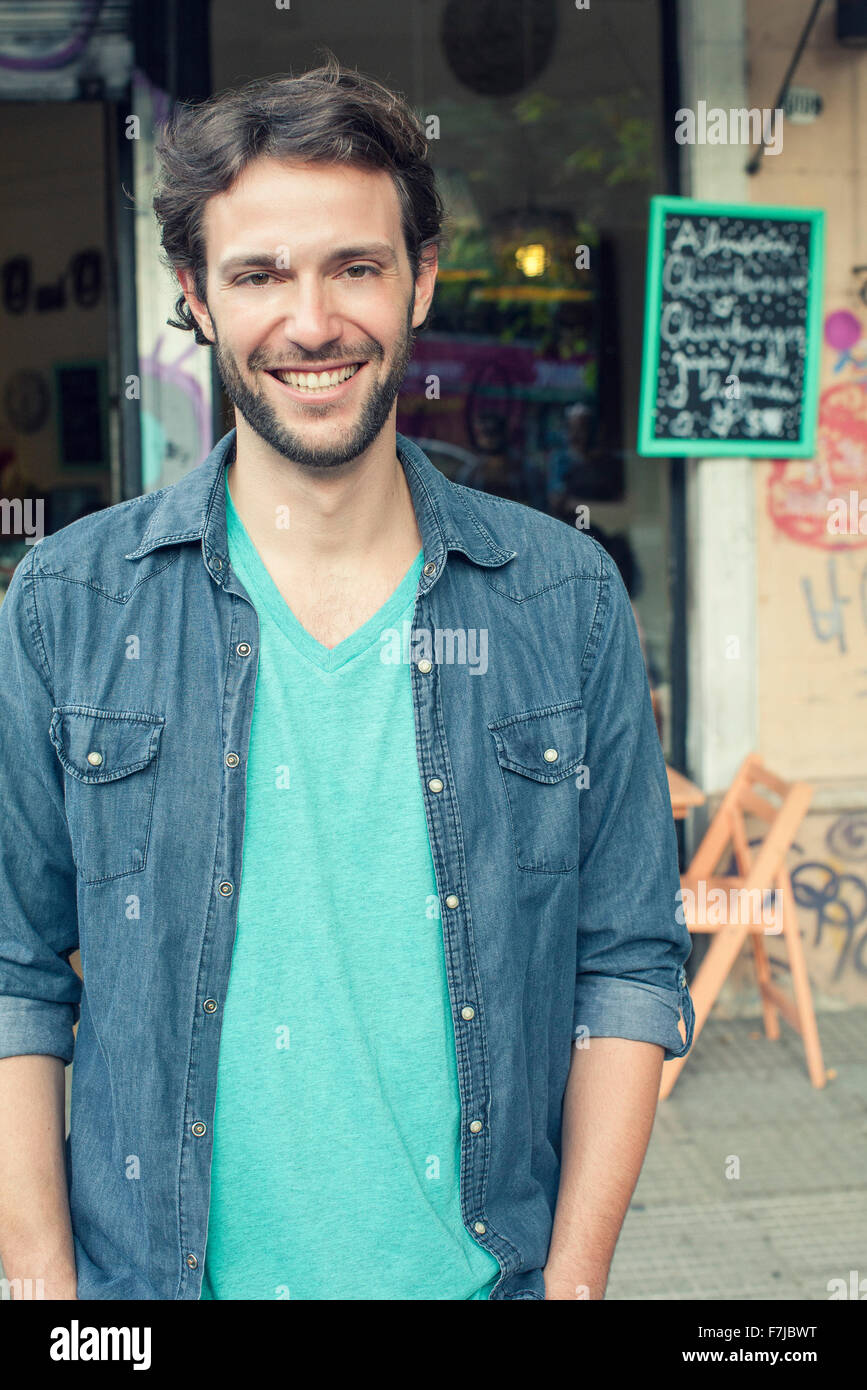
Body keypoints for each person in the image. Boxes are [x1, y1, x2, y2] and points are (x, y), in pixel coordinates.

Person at [0, 57, 694, 1302]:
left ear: (420, 278)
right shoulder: (69, 604)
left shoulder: (564, 600)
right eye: (260, 273)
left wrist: (577, 1281)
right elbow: (13, 976)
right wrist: (50, 1301)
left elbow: (629, 963)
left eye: (353, 267)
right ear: (198, 298)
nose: (311, 322)